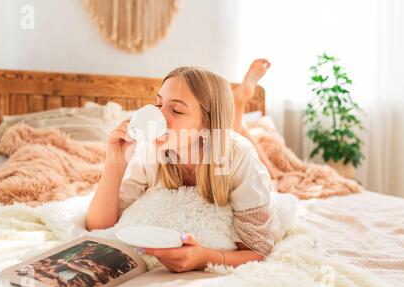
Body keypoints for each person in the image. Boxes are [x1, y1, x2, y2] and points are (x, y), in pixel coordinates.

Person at [86, 59, 281, 272]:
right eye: (158, 104)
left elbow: (258, 251)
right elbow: (99, 226)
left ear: (207, 122)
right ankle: (236, 115)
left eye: (176, 110)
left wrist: (204, 257)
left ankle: (239, 104)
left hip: (230, 147)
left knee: (275, 176)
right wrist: (115, 162)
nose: (159, 116)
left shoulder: (239, 157)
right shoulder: (150, 150)